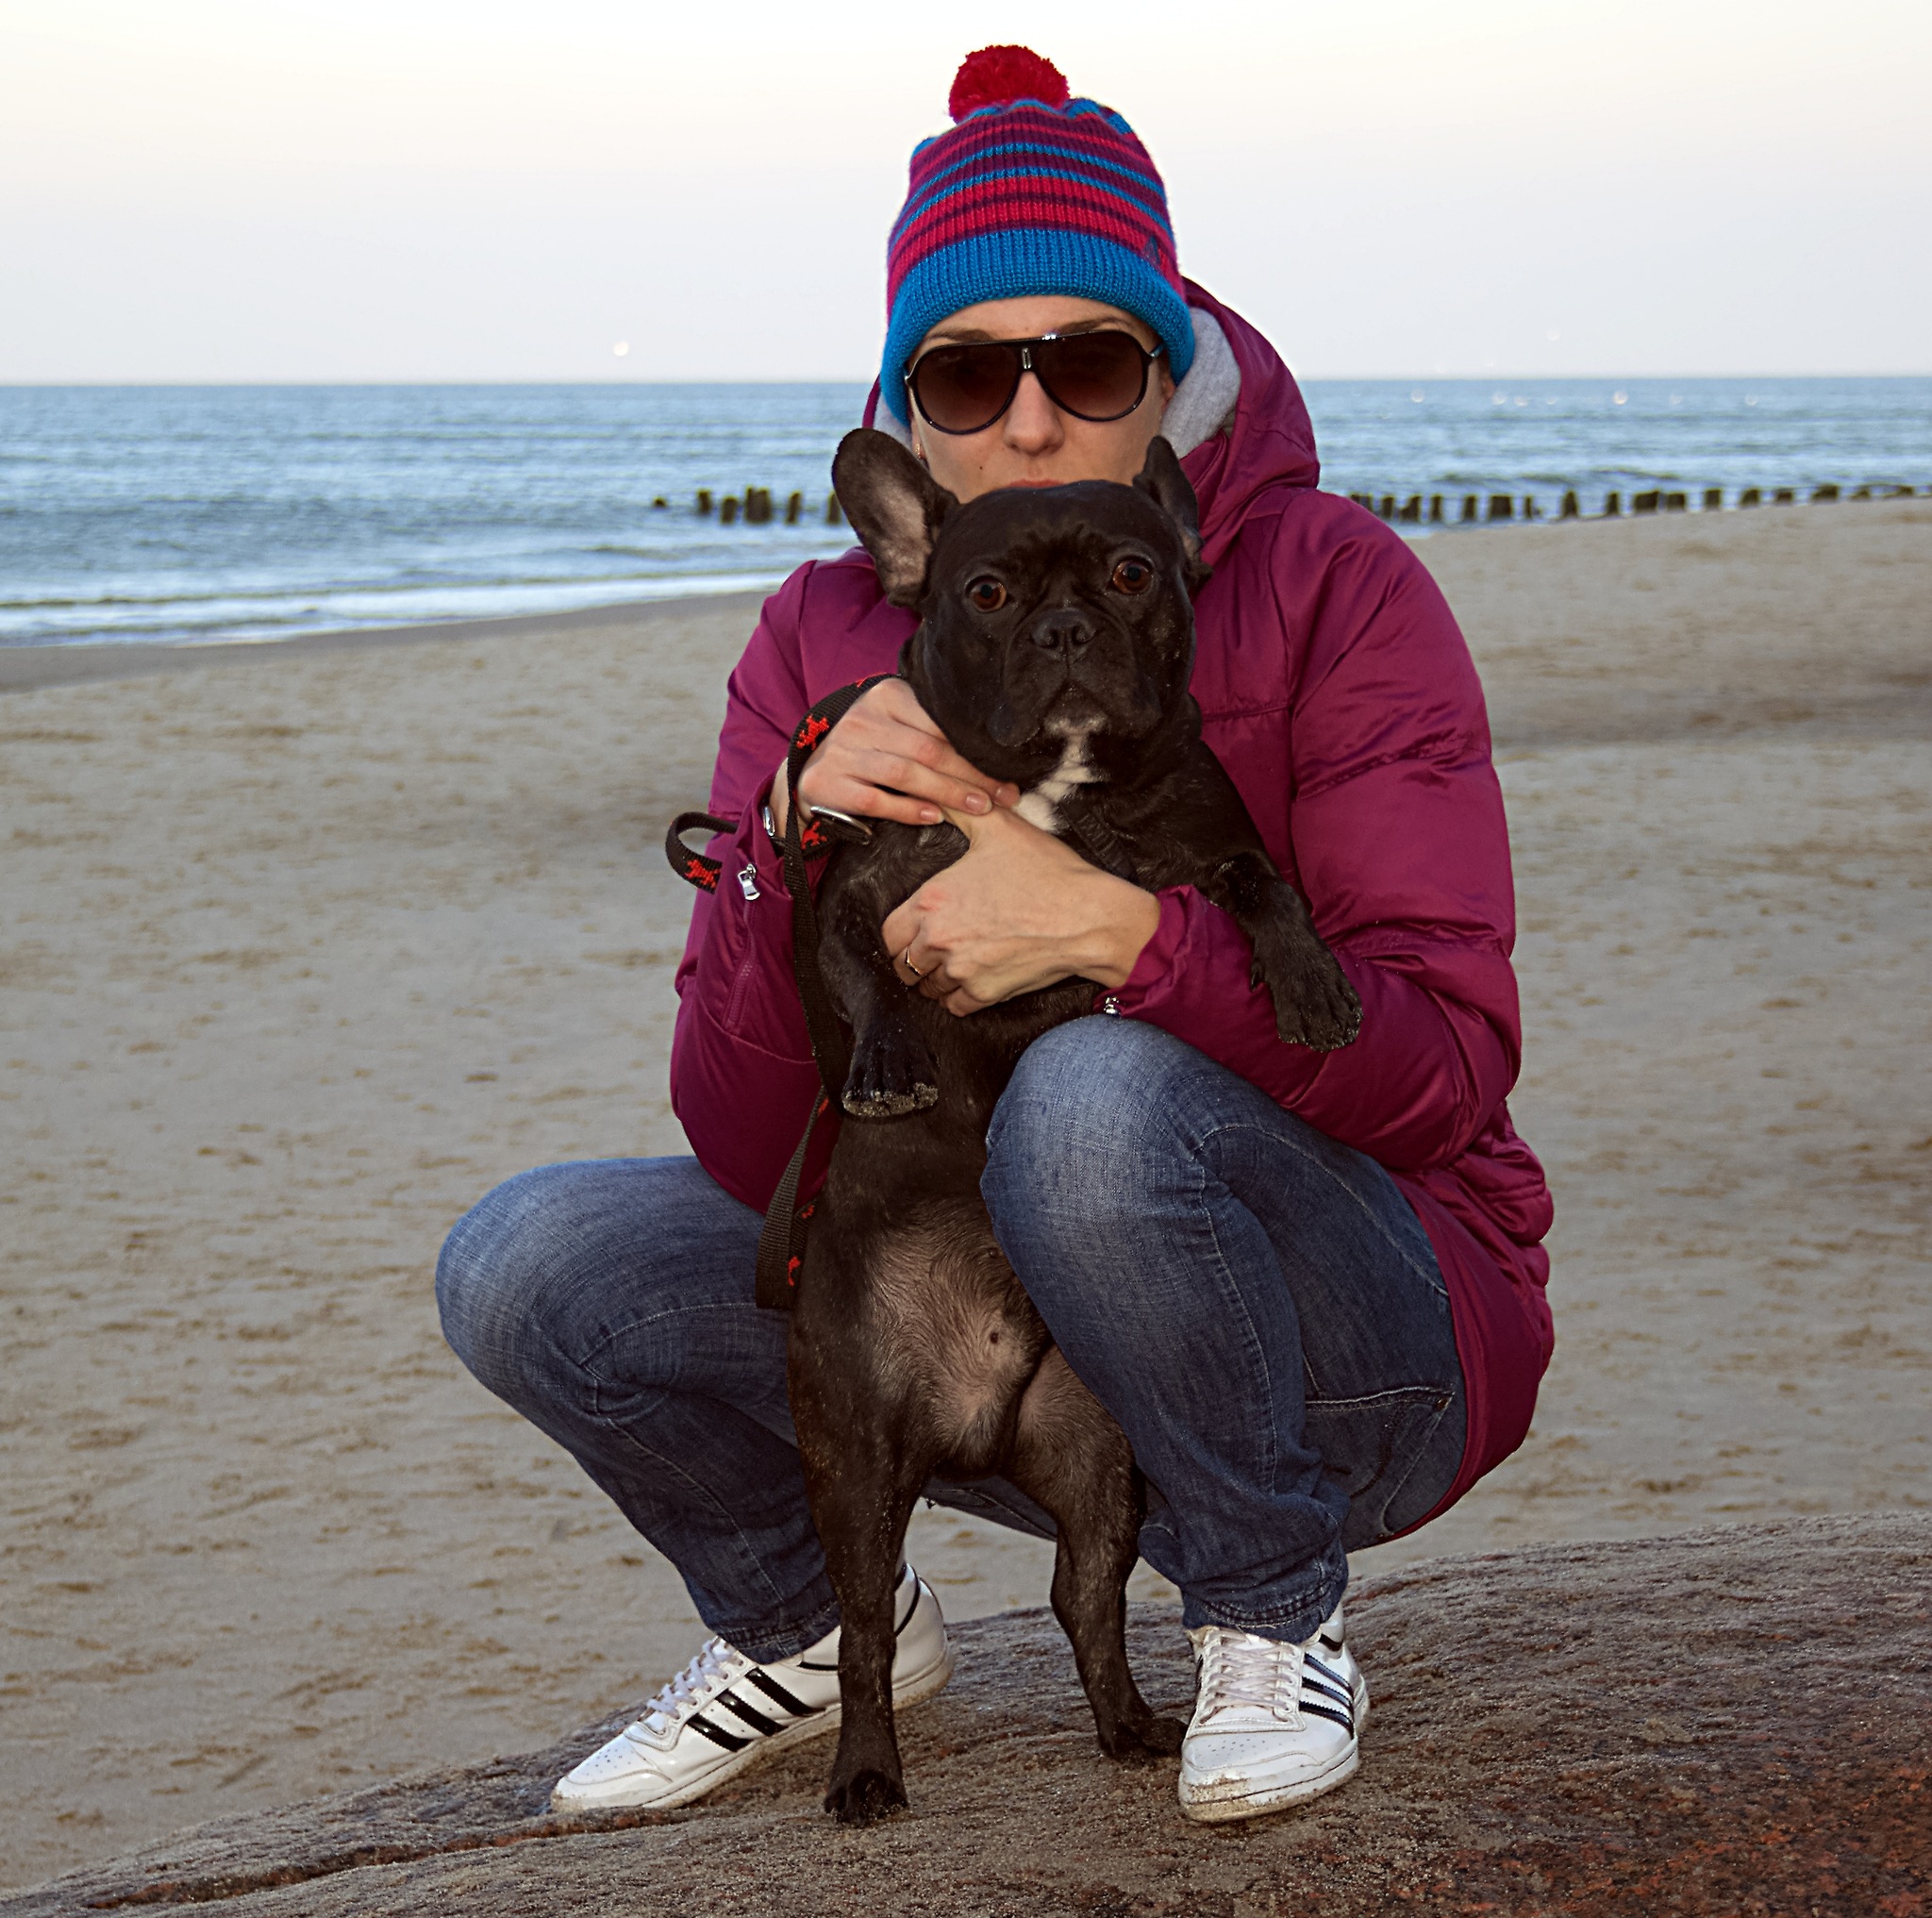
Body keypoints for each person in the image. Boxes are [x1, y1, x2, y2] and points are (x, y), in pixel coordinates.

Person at [437, 45, 1554, 1826]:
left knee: (1090, 1100)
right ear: (911, 419)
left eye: (1087, 362)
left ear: (1170, 377)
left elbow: (1444, 1074)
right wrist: (783, 846)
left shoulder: (1335, 585)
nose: (1028, 421)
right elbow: (744, 1135)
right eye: (966, 374)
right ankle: (815, 1629)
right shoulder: (821, 635)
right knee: (527, 1261)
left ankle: (1269, 1607)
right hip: (987, 1322)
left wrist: (1124, 936)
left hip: (1351, 1342)